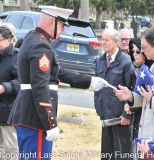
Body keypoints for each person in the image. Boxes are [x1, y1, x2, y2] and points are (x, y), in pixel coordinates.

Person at [7, 6, 107, 160]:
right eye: (61, 25)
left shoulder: (34, 38)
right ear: (52, 22)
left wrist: (89, 80)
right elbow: (40, 87)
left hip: (28, 114)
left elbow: (55, 72)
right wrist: (50, 123)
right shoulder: (41, 45)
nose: (63, 29)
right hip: (36, 118)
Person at [94, 29, 134, 160]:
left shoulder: (126, 62)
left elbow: (131, 90)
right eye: (102, 39)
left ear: (116, 42)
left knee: (122, 155)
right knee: (106, 154)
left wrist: (127, 114)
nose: (103, 42)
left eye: (106, 40)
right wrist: (98, 105)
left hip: (121, 118)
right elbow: (97, 87)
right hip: (106, 115)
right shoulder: (100, 60)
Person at [125, 37, 154, 158]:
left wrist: (133, 107)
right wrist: (128, 103)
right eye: (133, 51)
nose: (135, 54)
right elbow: (131, 91)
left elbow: (146, 99)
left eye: (138, 51)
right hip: (135, 119)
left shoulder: (150, 72)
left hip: (146, 119)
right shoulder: (135, 71)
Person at [0, 26, 18, 160]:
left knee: (10, 148)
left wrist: (5, 87)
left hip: (9, 111)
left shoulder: (16, 58)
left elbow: (22, 82)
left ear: (9, 40)